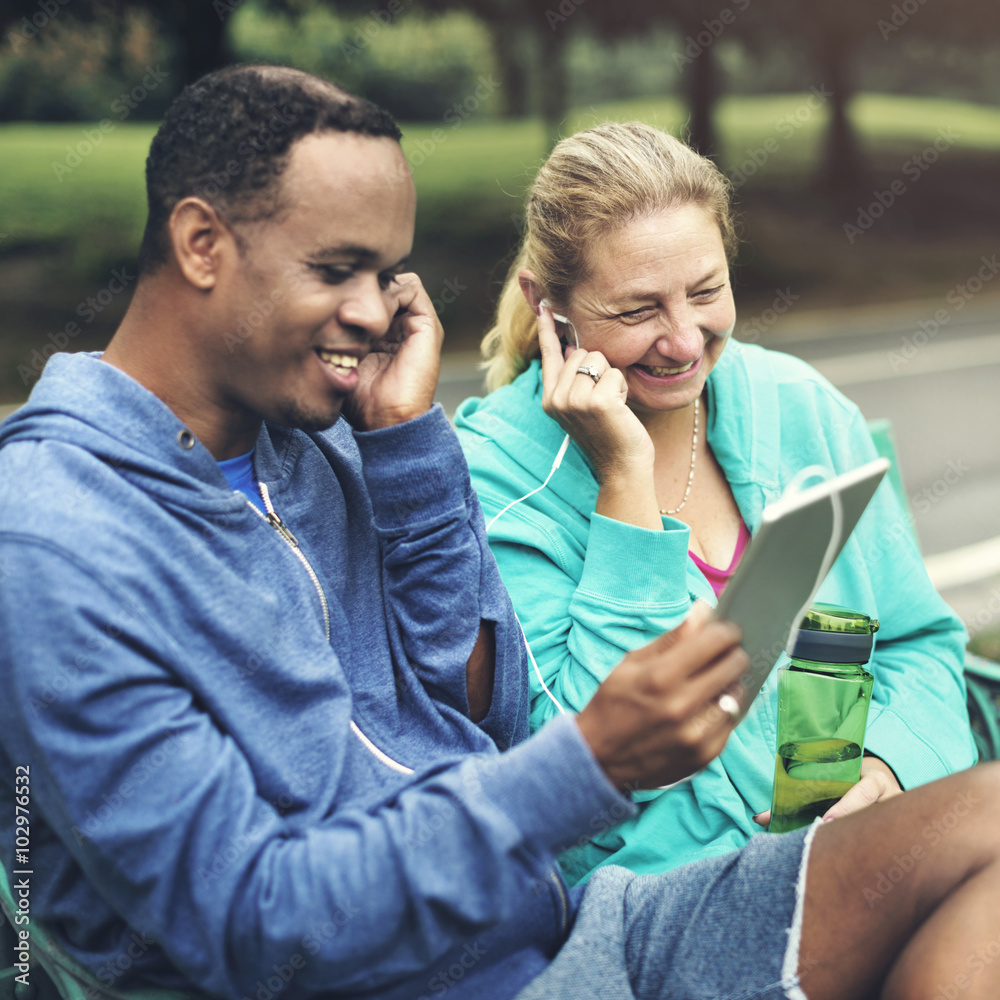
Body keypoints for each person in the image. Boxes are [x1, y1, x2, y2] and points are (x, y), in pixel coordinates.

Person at [0, 65, 999, 1000]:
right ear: (200, 243)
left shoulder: (316, 441)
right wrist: (590, 762)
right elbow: (255, 918)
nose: (376, 314)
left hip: (573, 930)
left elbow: (475, 706)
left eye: (389, 272)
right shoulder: (53, 534)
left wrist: (405, 451)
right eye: (338, 269)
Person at [454, 121, 977, 881]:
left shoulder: (797, 404)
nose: (683, 340)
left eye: (706, 292)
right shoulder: (493, 480)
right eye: (637, 310)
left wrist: (890, 766)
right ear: (547, 306)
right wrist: (625, 483)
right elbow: (590, 764)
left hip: (852, 859)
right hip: (663, 901)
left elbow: (917, 643)